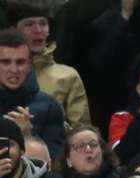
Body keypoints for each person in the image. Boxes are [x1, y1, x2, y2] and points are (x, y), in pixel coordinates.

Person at [9, 2, 91, 130]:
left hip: (53, 148)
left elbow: (82, 134)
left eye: (43, 23)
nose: (38, 30)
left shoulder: (68, 76)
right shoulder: (3, 74)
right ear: (14, 31)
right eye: (29, 24)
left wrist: (52, 125)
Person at [0, 28, 65, 157]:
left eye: (20, 62)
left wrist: (28, 137)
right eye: (6, 62)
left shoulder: (49, 106)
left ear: (30, 64)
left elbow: (54, 162)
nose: (14, 70)